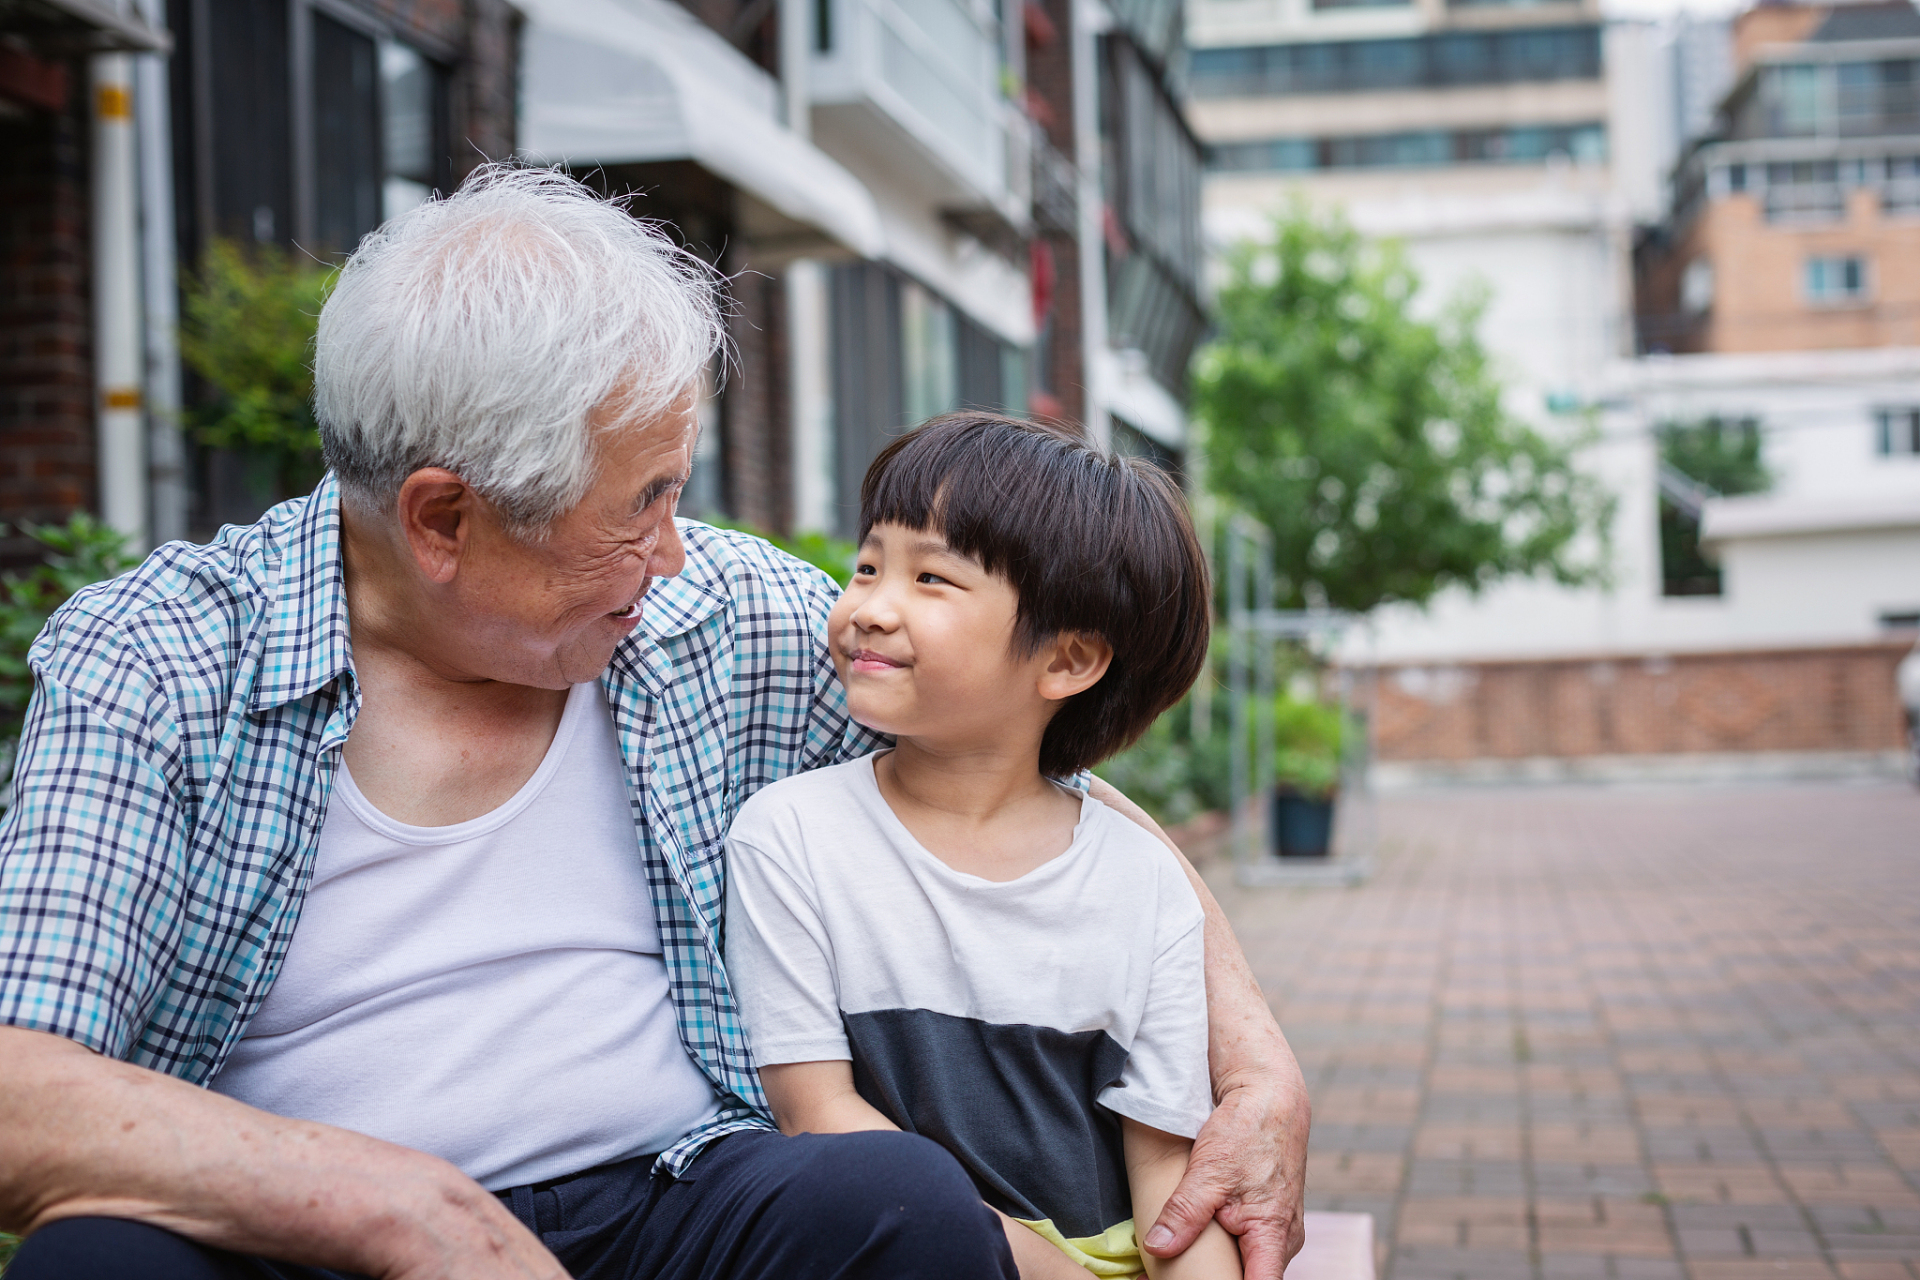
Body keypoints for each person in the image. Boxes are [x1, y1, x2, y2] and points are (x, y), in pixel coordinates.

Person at [0, 166, 1310, 1279]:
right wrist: (404, 1207)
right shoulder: (165, 661)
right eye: (642, 502)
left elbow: (1021, 777)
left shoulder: (717, 618)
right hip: (312, 1232)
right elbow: (20, 1086)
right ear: (444, 522)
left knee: (891, 1202)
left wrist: (1253, 1067)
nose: (678, 549)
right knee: (94, 1262)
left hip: (667, 1203)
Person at [726, 415, 1238, 1279]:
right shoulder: (791, 836)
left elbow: (1165, 1163)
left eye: (930, 577)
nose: (867, 608)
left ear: (1067, 661)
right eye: (867, 564)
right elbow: (815, 1115)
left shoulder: (1142, 879)